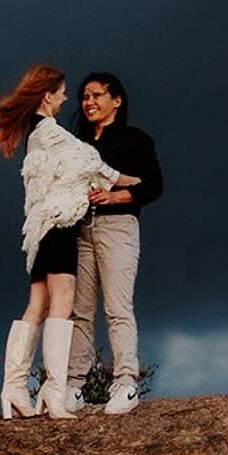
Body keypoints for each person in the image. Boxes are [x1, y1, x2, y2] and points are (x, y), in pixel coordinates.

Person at [0, 64, 139, 420]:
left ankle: (15, 389)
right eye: (63, 92)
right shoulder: (52, 133)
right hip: (60, 228)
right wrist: (132, 182)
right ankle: (54, 393)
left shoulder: (36, 133)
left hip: (40, 230)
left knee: (37, 304)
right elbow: (93, 164)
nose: (68, 98)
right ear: (47, 95)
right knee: (64, 301)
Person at [69, 71, 163, 415]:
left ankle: (125, 382)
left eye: (96, 95)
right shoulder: (77, 143)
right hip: (80, 229)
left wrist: (118, 196)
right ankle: (73, 385)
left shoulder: (136, 140)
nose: (89, 102)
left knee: (117, 307)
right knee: (79, 311)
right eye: (84, 97)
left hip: (118, 227)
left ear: (116, 101)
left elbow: (154, 185)